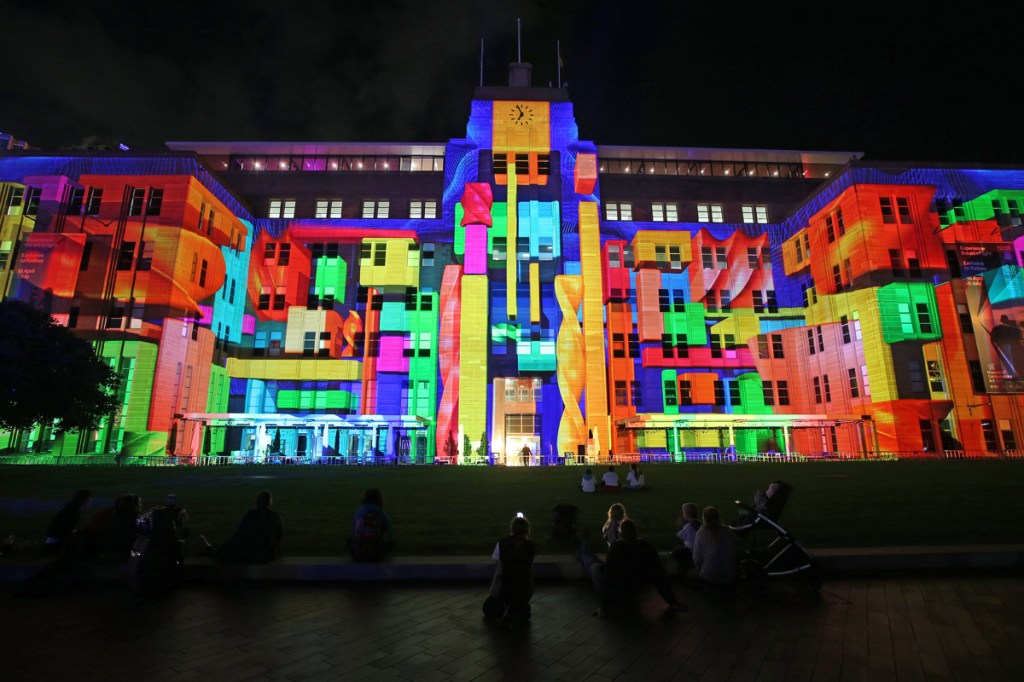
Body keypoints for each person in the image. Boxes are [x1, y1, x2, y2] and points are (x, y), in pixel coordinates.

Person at [576, 519, 687, 618]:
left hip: (617, 589)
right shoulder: (646, 546)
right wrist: (673, 602)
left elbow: (608, 577)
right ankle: (583, 549)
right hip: (634, 588)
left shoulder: (617, 548)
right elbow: (659, 574)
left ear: (621, 533)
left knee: (593, 564)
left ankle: (582, 547)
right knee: (597, 564)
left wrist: (604, 607)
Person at [202, 491, 283, 563]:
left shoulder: (250, 514)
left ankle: (210, 550)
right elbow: (279, 535)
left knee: (232, 543)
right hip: (269, 554)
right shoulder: (275, 516)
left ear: (257, 501)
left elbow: (239, 530)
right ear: (270, 502)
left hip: (252, 553)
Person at [483, 514, 536, 623]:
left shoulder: (502, 544)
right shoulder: (530, 547)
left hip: (504, 588)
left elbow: (497, 561)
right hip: (522, 588)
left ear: (512, 528)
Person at [692, 506, 736, 586]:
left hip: (709, 575)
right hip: (729, 574)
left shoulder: (701, 533)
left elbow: (697, 558)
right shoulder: (726, 532)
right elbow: (732, 552)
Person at [348, 488, 395, 561]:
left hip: (358, 554)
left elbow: (354, 529)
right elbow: (389, 531)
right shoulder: (380, 512)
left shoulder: (360, 511)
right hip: (376, 554)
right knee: (392, 542)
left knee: (349, 540)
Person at [41, 489, 92, 556]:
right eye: (89, 499)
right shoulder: (74, 511)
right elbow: (68, 529)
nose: (90, 501)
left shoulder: (70, 507)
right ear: (85, 500)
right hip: (57, 540)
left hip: (54, 537)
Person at [671, 502, 702, 572]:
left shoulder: (688, 526)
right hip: (700, 549)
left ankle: (686, 567)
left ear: (686, 514)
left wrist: (680, 525)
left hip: (691, 550)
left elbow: (679, 535)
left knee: (676, 551)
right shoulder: (700, 524)